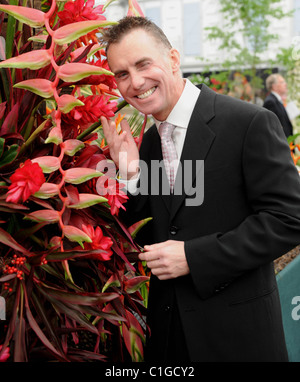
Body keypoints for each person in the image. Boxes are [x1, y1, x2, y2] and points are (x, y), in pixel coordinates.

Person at [100, 16, 300, 362]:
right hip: (169, 340)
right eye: (121, 73)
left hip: (239, 339)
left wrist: (194, 257)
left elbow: (289, 219)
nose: (135, 82)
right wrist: (129, 174)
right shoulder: (147, 142)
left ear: (174, 60)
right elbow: (144, 231)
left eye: (143, 64)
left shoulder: (248, 122)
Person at [263, 73, 293, 138]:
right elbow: (272, 127)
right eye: (282, 82)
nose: (285, 84)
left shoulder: (276, 100)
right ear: (274, 86)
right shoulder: (270, 102)